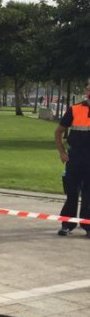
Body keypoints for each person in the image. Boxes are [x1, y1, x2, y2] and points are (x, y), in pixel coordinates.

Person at [54, 81, 90, 237]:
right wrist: (62, 152)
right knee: (72, 192)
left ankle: (88, 226)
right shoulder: (75, 109)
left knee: (89, 193)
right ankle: (67, 224)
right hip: (75, 156)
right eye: (88, 89)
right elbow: (58, 132)